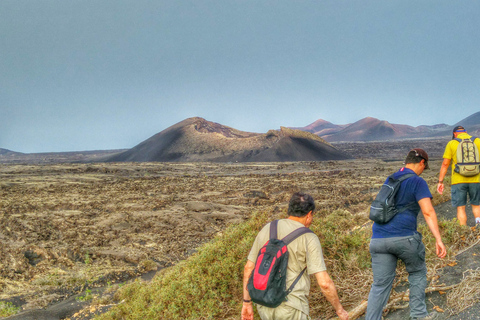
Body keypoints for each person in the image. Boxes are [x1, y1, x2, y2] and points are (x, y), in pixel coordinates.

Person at [366, 149, 447, 320]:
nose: (422, 171)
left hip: (378, 239)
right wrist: (438, 239)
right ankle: (418, 315)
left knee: (380, 285)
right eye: (423, 168)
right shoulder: (418, 182)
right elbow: (428, 212)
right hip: (405, 238)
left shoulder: (391, 179)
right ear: (422, 163)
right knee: (417, 272)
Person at [241, 192, 349, 320]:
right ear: (309, 215)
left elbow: (249, 268)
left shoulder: (268, 228)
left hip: (265, 305)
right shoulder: (309, 237)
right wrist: (340, 310)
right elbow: (324, 283)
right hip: (292, 308)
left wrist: (246, 303)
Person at [437, 125, 480, 226]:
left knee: (461, 207)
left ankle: (463, 233)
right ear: (466, 132)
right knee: (476, 206)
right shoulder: (477, 141)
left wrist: (440, 181)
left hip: (458, 181)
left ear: (454, 134)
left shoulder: (452, 143)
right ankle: (479, 229)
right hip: (476, 179)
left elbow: (445, 164)